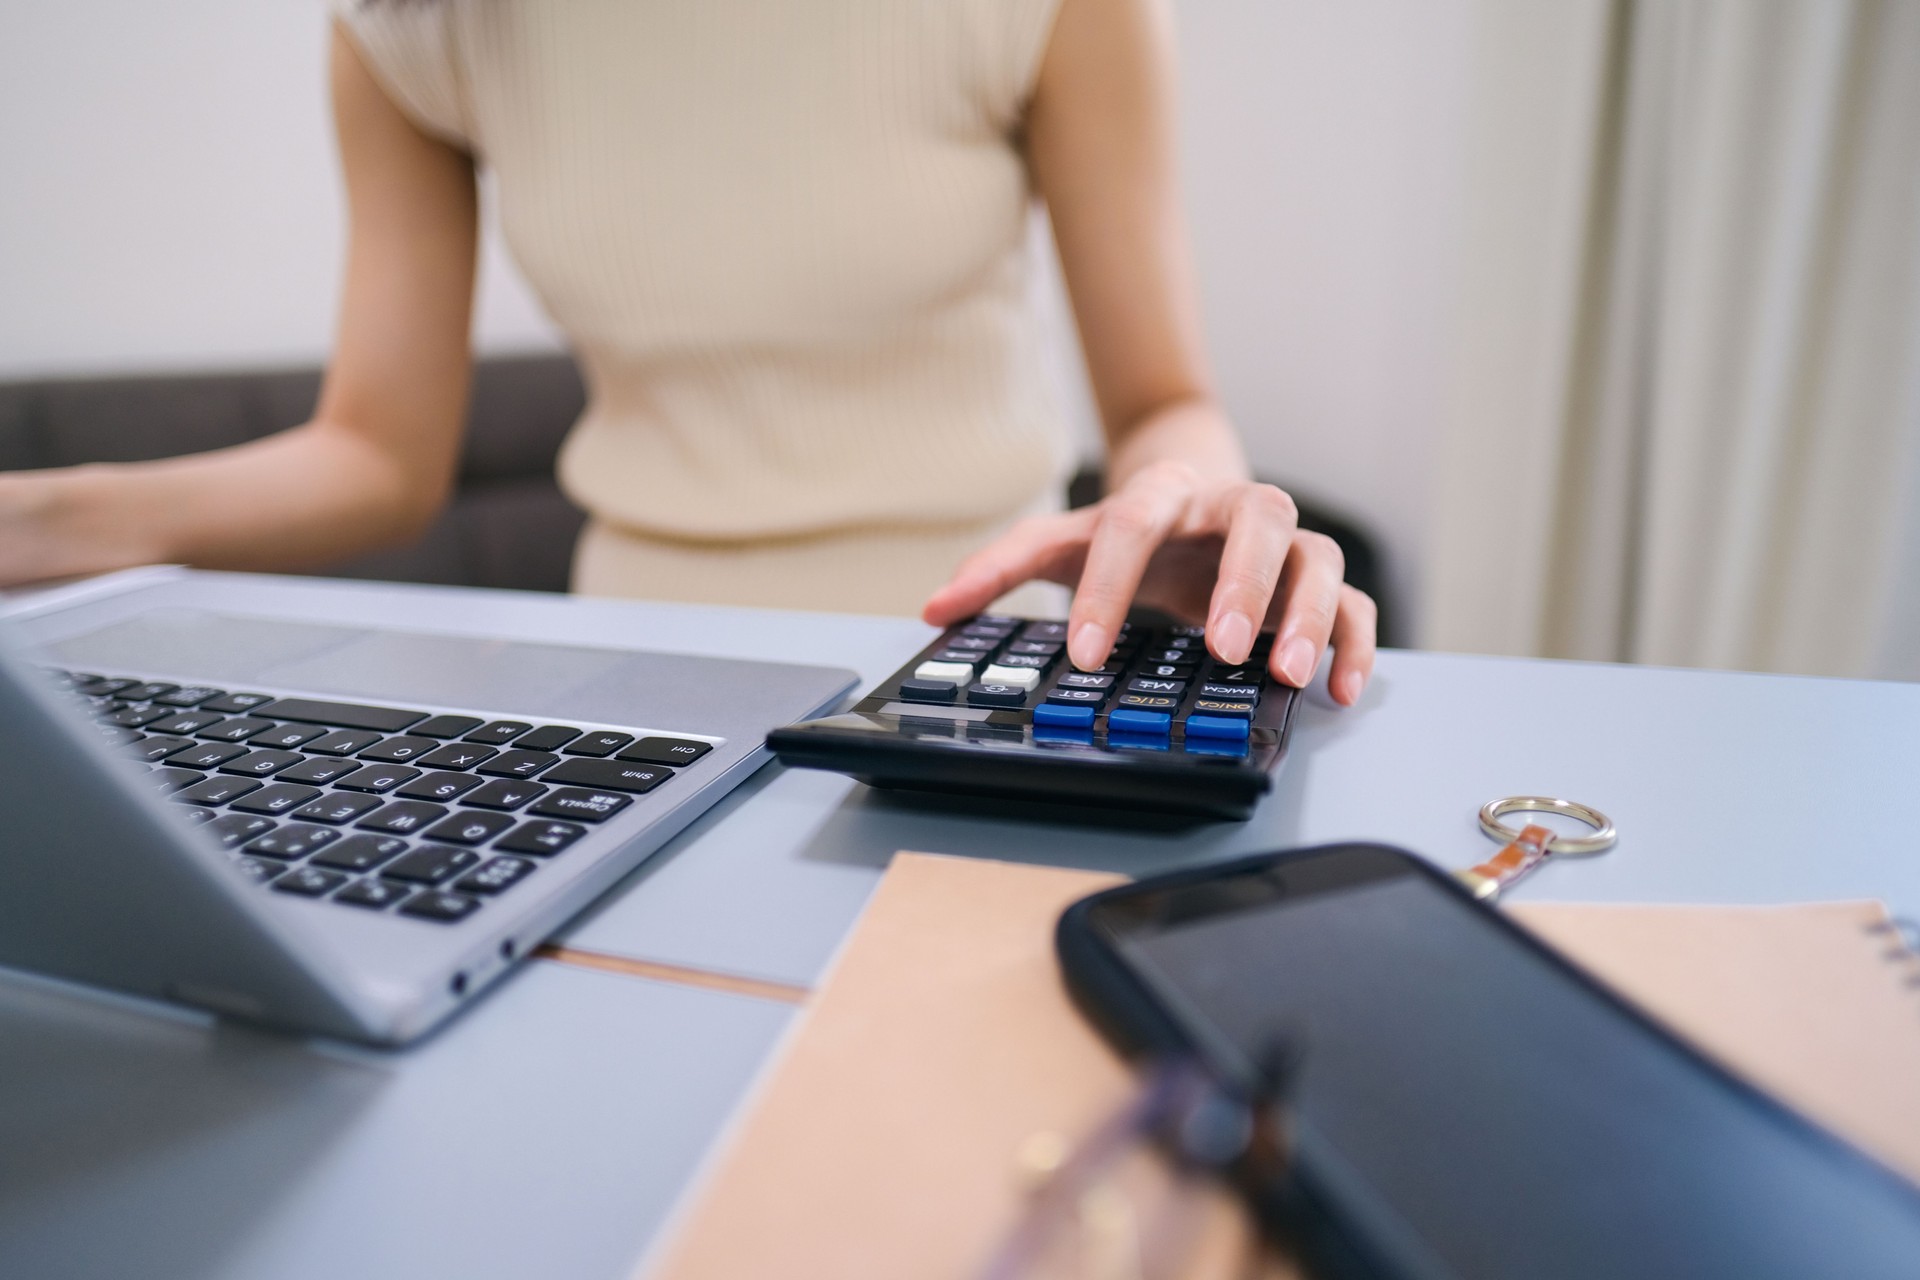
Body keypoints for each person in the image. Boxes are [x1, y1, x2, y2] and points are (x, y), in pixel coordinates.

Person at [0, 0, 1375, 704]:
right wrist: (44, 518)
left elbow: (1163, 400)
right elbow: (375, 455)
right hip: (632, 684)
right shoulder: (414, 31)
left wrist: (1189, 499)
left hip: (975, 665)